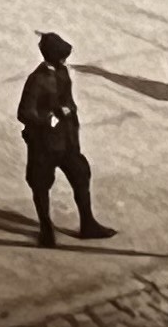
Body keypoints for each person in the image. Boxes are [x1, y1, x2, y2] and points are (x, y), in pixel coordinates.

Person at [16, 32, 113, 247]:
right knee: (41, 185)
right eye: (61, 56)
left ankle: (88, 224)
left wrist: (68, 110)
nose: (64, 60)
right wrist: (48, 118)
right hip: (43, 144)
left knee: (81, 176)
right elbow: (24, 112)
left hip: (67, 142)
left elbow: (68, 101)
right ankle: (46, 230)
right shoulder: (37, 79)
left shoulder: (62, 73)